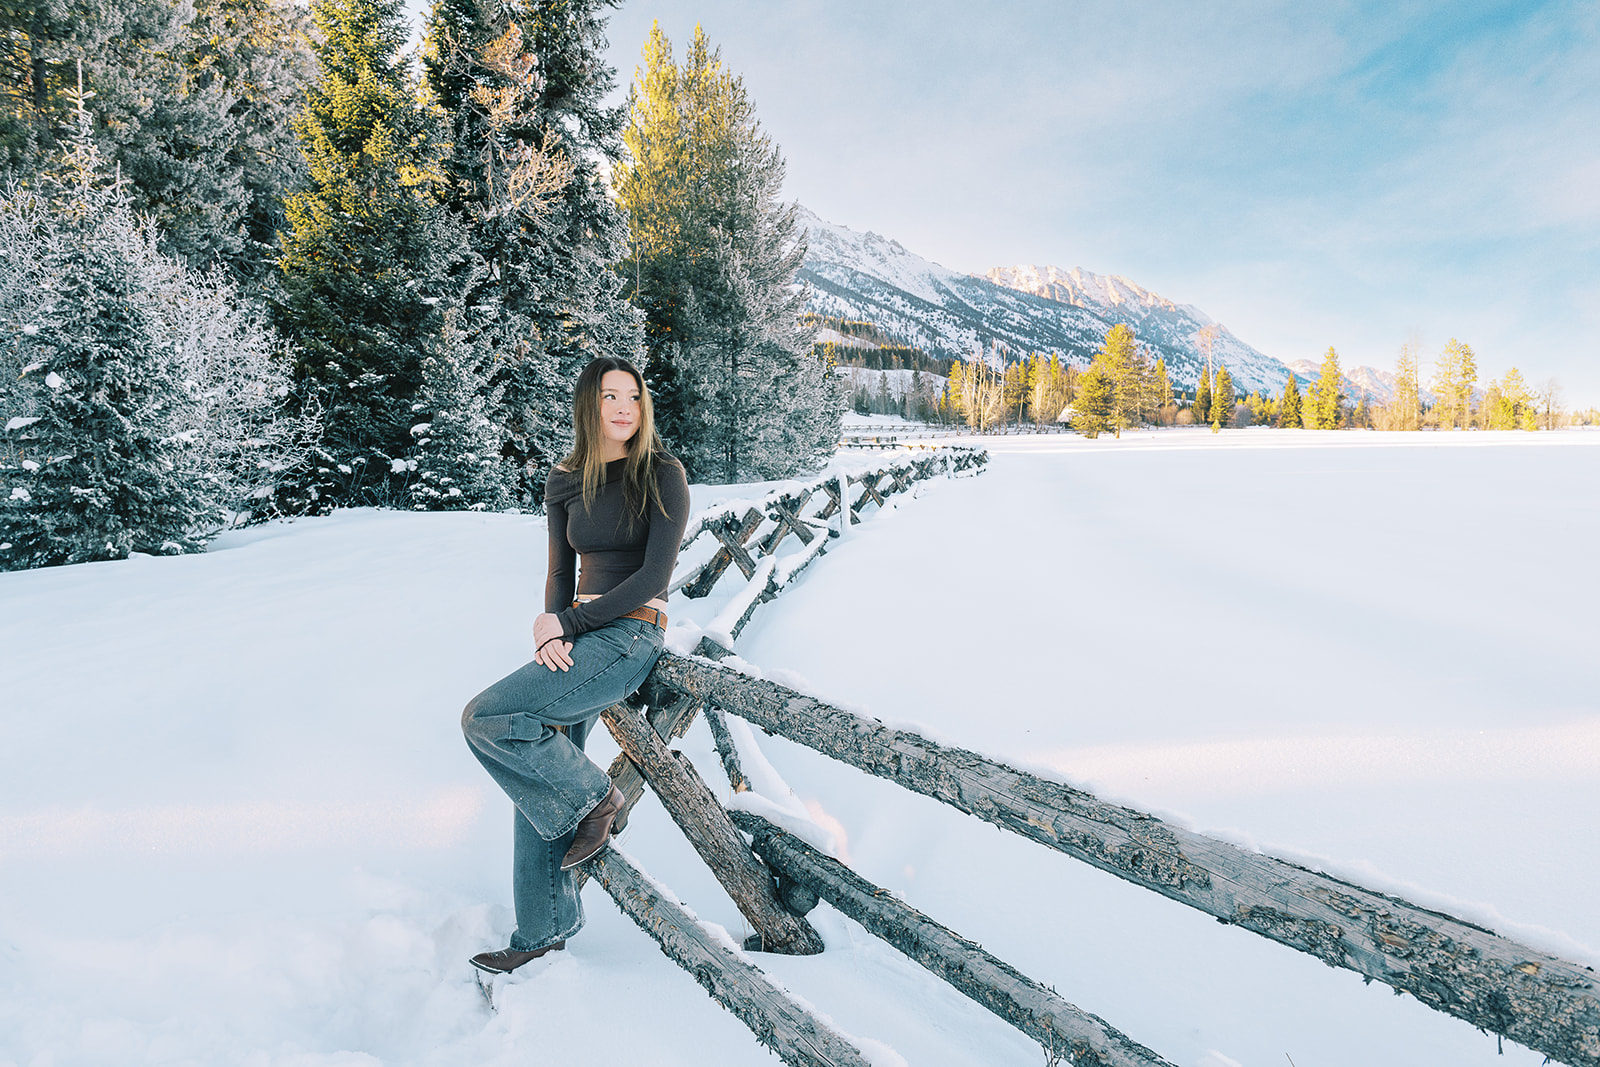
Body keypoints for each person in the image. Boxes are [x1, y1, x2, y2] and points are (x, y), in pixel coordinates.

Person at [460, 356, 690, 975]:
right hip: (578, 637)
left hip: (629, 636)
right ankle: (540, 931)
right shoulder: (566, 480)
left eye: (634, 397)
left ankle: (594, 795)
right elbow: (561, 571)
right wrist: (549, 632)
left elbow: (653, 576)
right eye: (610, 396)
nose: (623, 408)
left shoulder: (662, 474)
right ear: (589, 406)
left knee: (485, 717)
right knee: (533, 775)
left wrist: (570, 625)